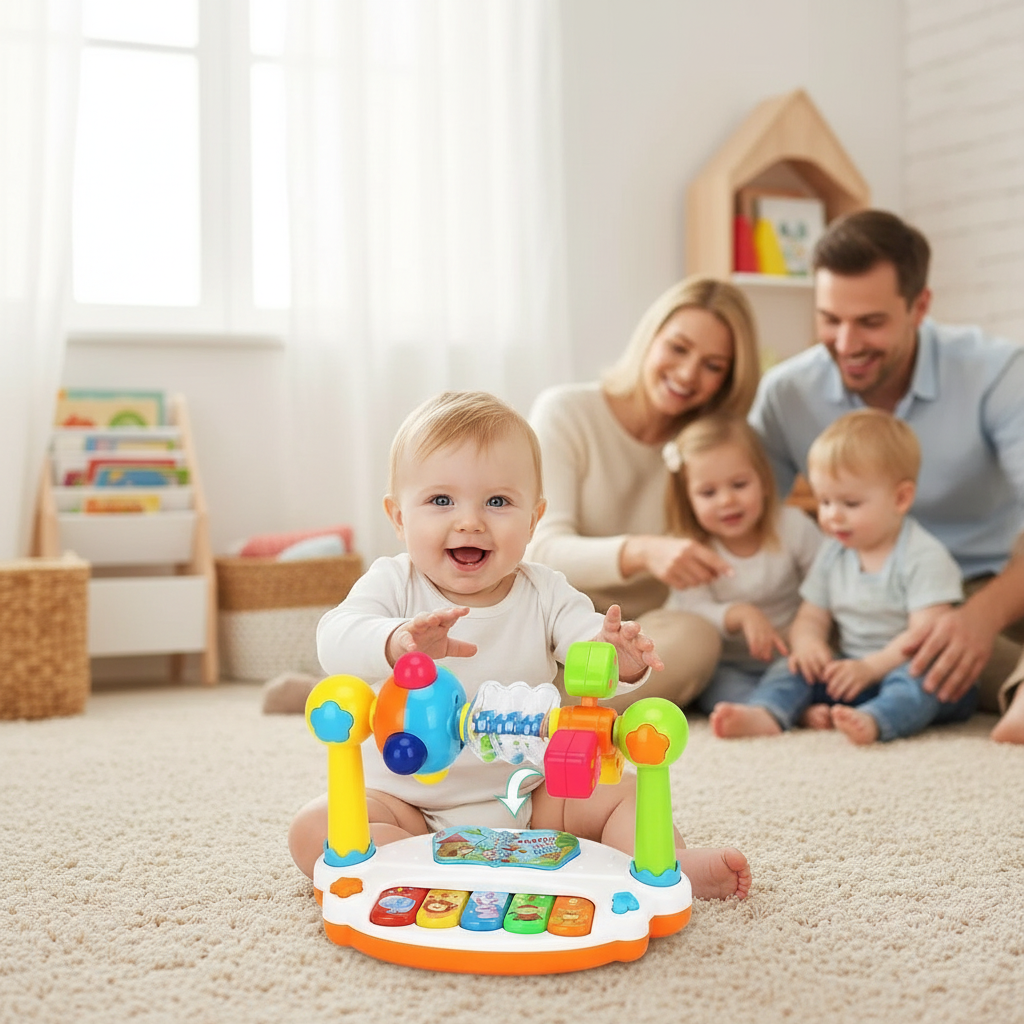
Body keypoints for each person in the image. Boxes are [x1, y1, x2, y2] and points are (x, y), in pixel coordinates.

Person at [288, 390, 751, 900]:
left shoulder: (546, 590)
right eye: (441, 501)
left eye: (498, 502)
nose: (470, 521)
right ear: (398, 518)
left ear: (533, 520)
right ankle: (411, 866)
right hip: (406, 802)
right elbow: (334, 636)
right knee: (315, 826)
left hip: (530, 797)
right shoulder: (392, 583)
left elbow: (586, 646)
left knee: (625, 792)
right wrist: (395, 640)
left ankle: (668, 863)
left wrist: (617, 654)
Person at [748, 209, 1024, 742]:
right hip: (859, 587)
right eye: (830, 319)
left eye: (870, 322)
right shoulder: (787, 393)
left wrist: (981, 617)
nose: (847, 343)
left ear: (920, 306)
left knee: (958, 650)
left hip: (988, 582)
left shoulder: (997, 372)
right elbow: (753, 520)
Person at [527, 276, 761, 712]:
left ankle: (552, 716)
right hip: (552, 622)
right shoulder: (567, 412)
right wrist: (641, 552)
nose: (689, 373)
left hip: (634, 640)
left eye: (713, 366)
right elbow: (540, 548)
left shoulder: (710, 451)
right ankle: (562, 708)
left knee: (697, 637)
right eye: (678, 348)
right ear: (650, 338)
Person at [712, 410, 976, 745]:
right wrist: (810, 645)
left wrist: (871, 668)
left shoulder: (922, 556)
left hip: (916, 668)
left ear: (901, 498)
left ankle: (877, 719)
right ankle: (766, 712)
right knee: (792, 667)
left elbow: (925, 639)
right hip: (854, 671)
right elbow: (811, 615)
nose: (833, 515)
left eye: (850, 503)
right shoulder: (834, 553)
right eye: (824, 501)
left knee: (921, 681)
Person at [661, 413, 821, 713]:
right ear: (687, 499)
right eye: (708, 493)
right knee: (717, 692)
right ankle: (778, 712)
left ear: (763, 481)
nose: (726, 501)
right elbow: (691, 610)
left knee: (813, 670)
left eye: (739, 484)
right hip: (726, 663)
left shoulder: (793, 526)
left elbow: (825, 580)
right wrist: (739, 614)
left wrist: (811, 637)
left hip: (790, 654)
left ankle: (781, 709)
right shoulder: (689, 550)